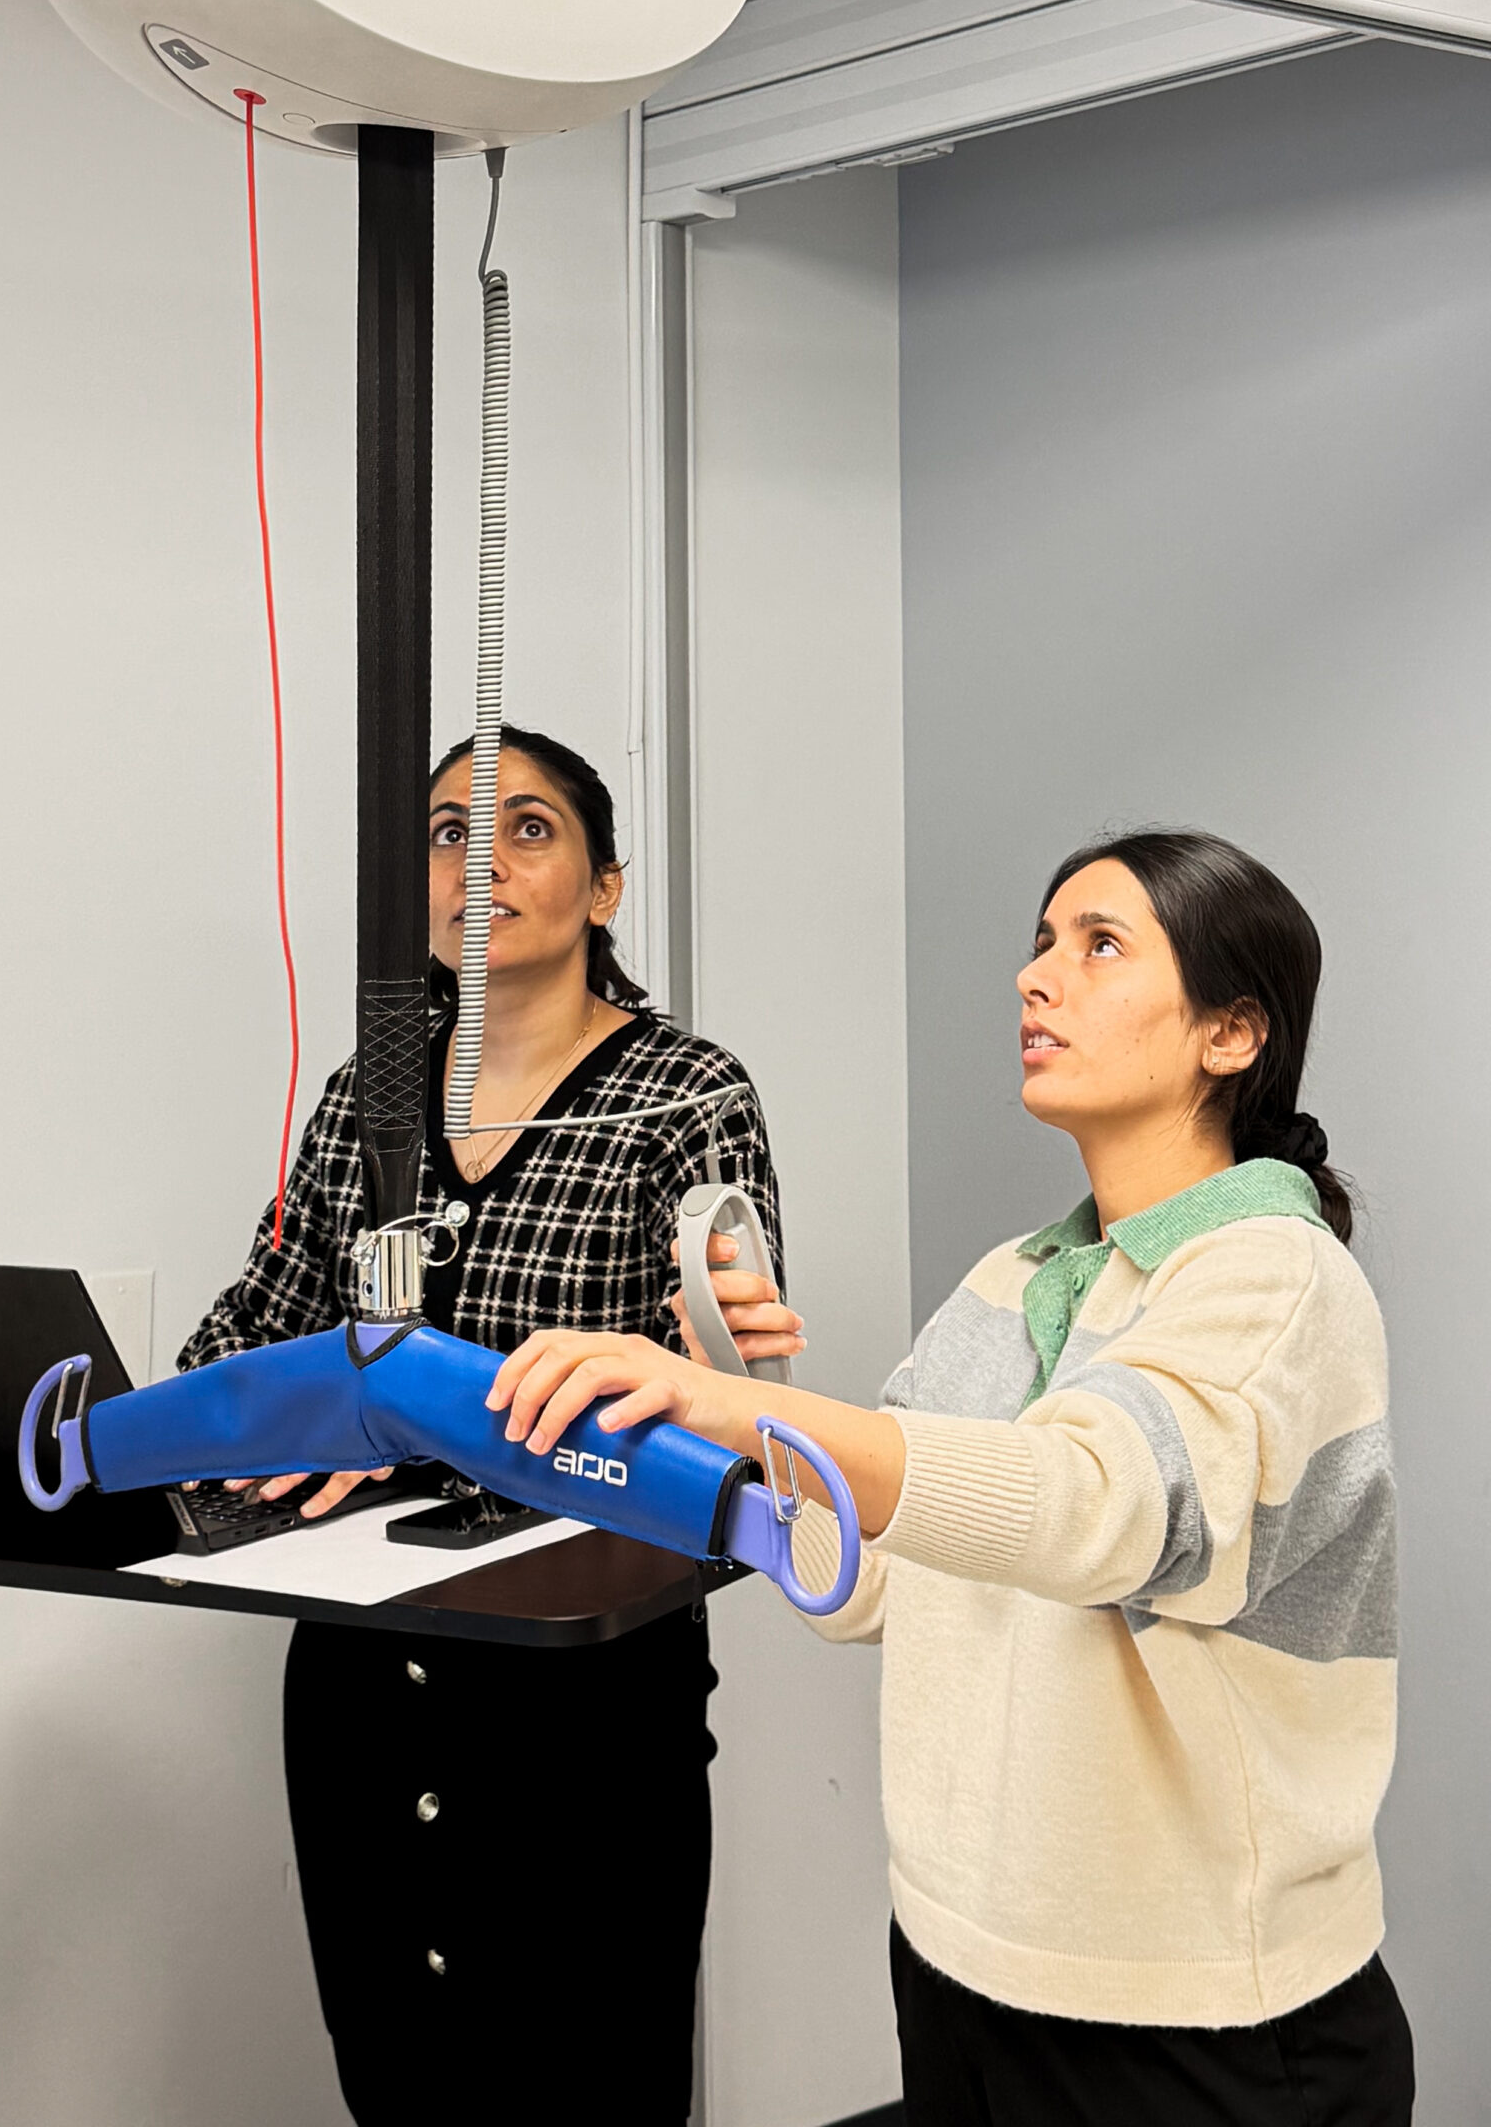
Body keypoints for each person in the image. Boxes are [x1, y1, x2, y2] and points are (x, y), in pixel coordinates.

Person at [489, 829, 1413, 2127]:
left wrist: (756, 1409)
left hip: (1196, 2013)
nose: (1037, 978)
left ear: (1231, 1033)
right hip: (956, 1967)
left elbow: (1089, 1506)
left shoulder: (1274, 1272)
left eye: (1100, 946)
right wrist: (736, 1415)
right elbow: (870, 1586)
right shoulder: (1010, 1280)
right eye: (1041, 944)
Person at [178, 724, 791, 2127]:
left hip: (578, 1686)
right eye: (450, 833)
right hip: (360, 1674)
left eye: (527, 831)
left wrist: (386, 1419)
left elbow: (704, 1402)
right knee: (396, 2079)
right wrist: (219, 1412)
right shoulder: (370, 1094)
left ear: (606, 886)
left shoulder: (684, 1096)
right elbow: (253, 1332)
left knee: (587, 2082)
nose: (478, 865)